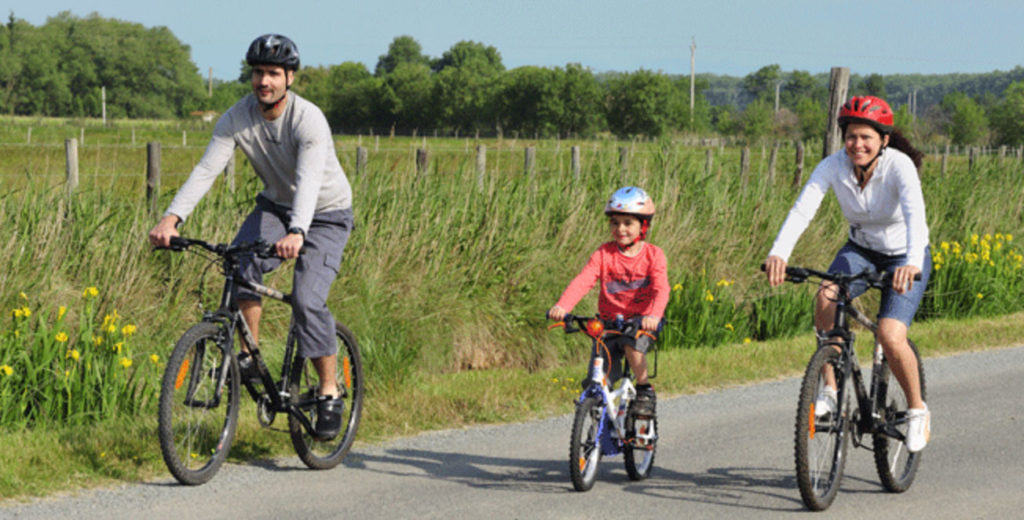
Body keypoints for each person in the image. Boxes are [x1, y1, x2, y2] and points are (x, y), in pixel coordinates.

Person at [148, 34, 353, 440]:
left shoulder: (308, 119)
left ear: (289, 77)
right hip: (275, 207)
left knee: (308, 300)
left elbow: (308, 181)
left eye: (274, 73)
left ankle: (329, 391)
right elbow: (207, 170)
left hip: (327, 215)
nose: (264, 81)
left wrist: (298, 231)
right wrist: (172, 218)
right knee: (240, 264)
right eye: (258, 72)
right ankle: (246, 355)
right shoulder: (237, 117)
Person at [763, 95, 932, 452]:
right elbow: (802, 210)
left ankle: (917, 410)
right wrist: (779, 253)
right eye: (851, 136)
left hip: (904, 254)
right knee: (826, 296)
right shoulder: (833, 166)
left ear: (883, 140)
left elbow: (916, 218)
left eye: (866, 137)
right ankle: (829, 388)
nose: (857, 144)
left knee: (890, 334)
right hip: (860, 250)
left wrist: (912, 262)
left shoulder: (899, 167)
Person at [548, 187, 669, 416]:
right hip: (609, 323)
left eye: (627, 223)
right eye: (614, 223)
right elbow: (584, 280)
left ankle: (644, 389)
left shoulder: (654, 255)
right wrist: (563, 306)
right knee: (597, 379)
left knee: (631, 344)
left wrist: (654, 315)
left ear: (643, 226)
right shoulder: (604, 254)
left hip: (641, 323)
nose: (620, 229)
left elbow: (661, 288)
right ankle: (594, 420)